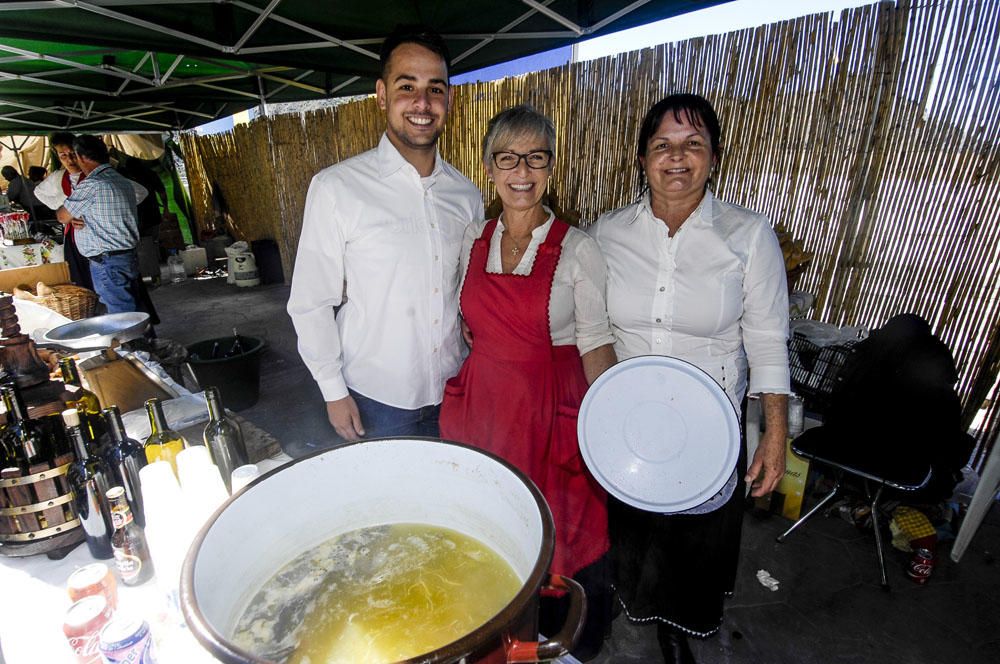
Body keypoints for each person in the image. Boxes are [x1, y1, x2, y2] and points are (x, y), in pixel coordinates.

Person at [588, 94, 790, 664]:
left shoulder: (747, 236)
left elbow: (769, 339)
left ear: (714, 157)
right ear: (643, 159)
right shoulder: (609, 234)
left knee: (693, 535)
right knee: (635, 522)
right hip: (632, 420)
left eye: (692, 144)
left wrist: (775, 433)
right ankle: (636, 607)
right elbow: (591, 326)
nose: (677, 158)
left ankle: (677, 626)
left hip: (711, 421)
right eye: (663, 146)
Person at [439, 105, 617, 660]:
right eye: (507, 158)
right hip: (486, 406)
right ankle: (491, 627)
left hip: (548, 406)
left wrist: (606, 424)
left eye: (535, 157)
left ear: (550, 165)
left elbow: (595, 341)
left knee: (558, 526)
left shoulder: (578, 247)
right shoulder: (475, 236)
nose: (522, 171)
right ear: (489, 167)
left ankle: (557, 642)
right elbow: (467, 317)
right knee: (489, 522)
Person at [287, 25, 483, 443]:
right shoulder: (337, 187)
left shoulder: (466, 195)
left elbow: (465, 287)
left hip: (453, 388)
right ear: (381, 94)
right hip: (375, 398)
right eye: (406, 86)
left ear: (449, 98)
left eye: (435, 88)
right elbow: (310, 302)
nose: (422, 103)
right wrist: (332, 391)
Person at [55, 135, 148, 316]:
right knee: (131, 307)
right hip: (125, 256)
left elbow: (62, 216)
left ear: (81, 157)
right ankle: (143, 341)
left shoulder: (92, 184)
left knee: (121, 314)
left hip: (107, 262)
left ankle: (133, 343)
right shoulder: (121, 180)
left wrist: (72, 212)